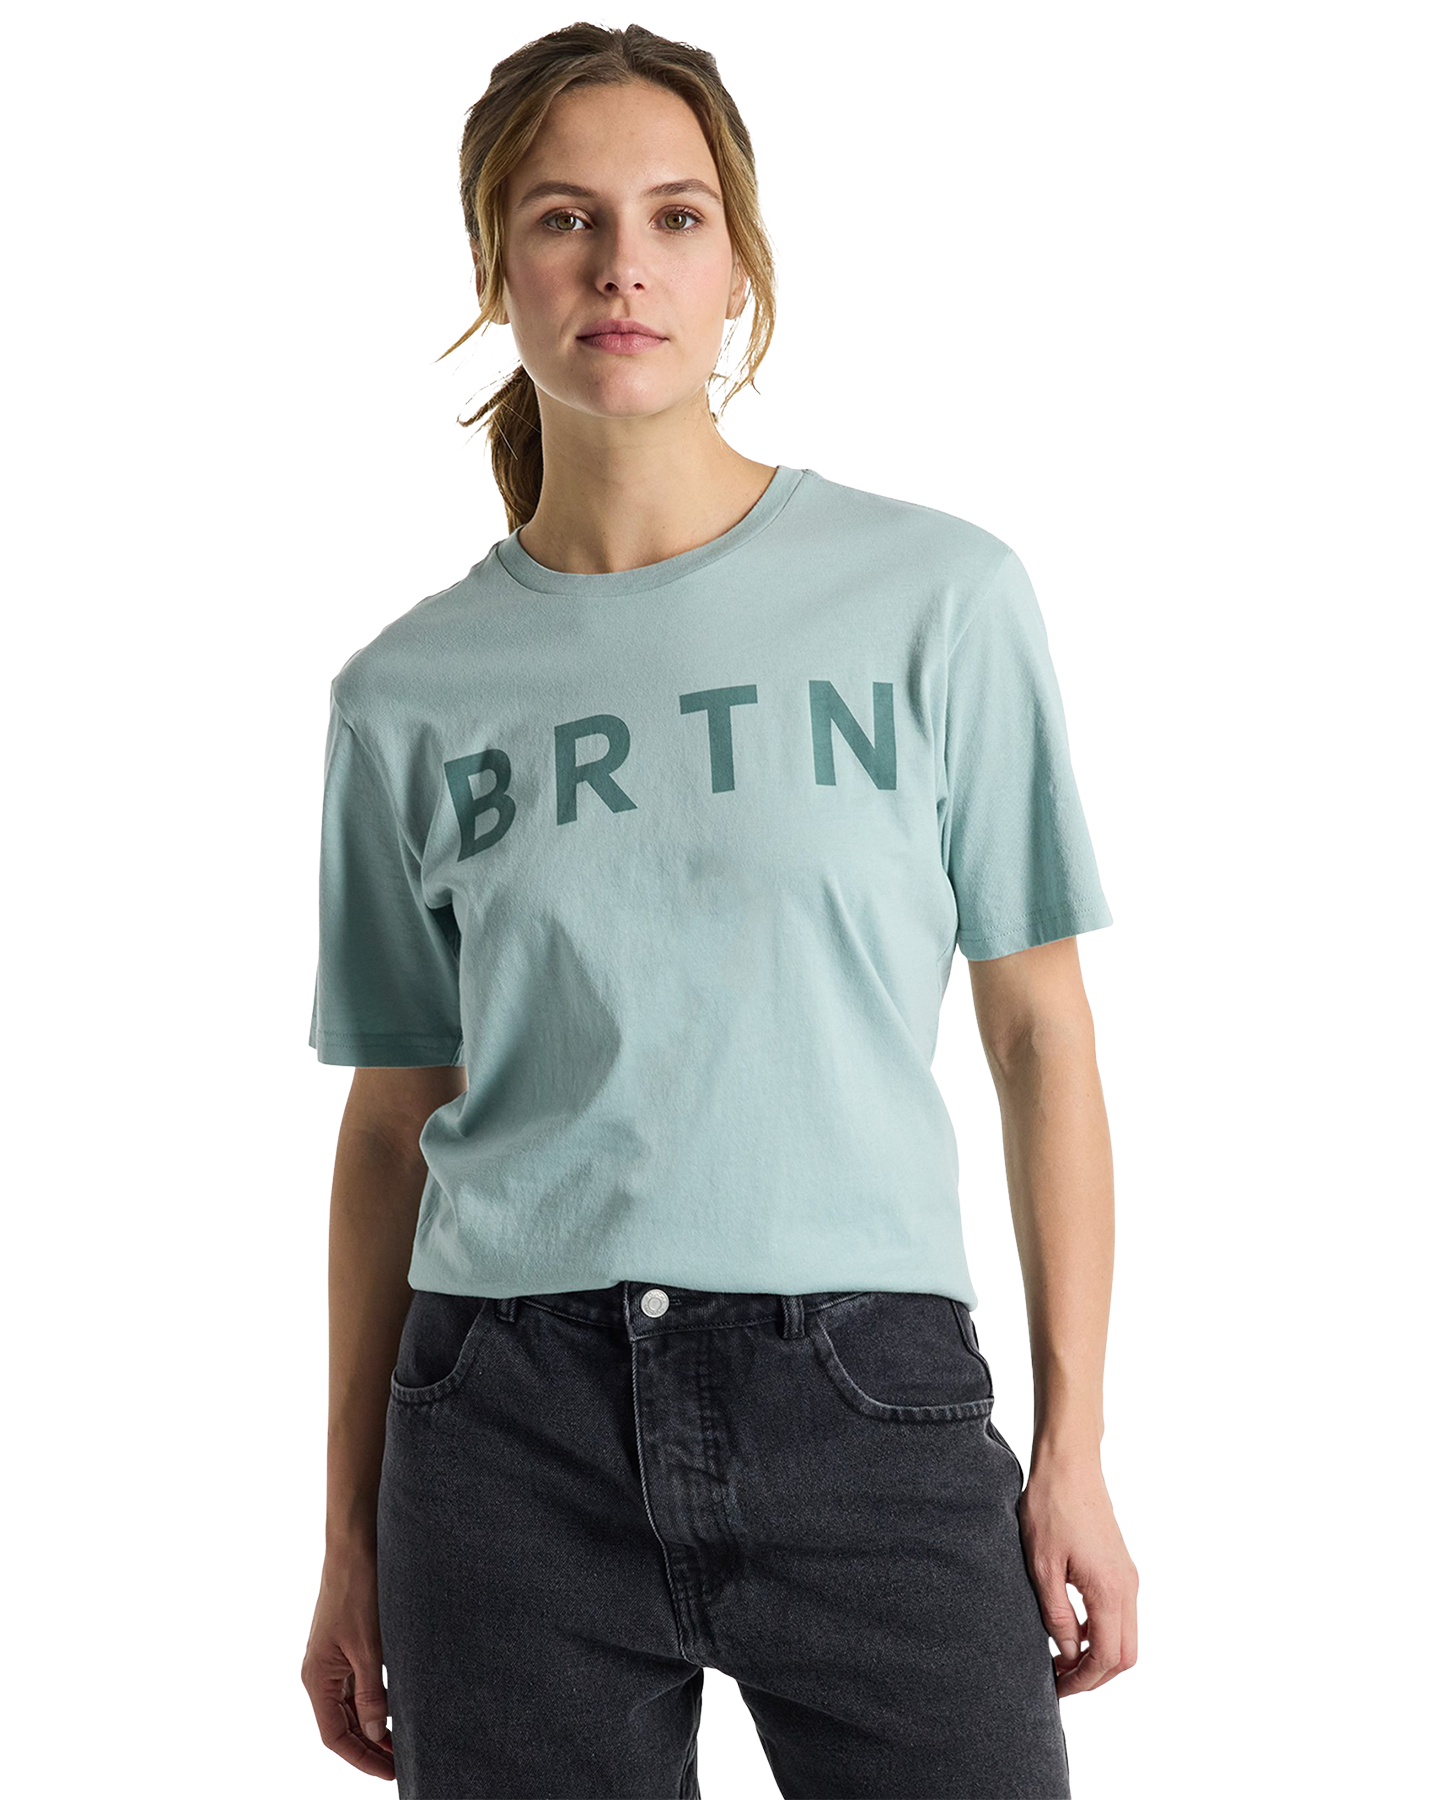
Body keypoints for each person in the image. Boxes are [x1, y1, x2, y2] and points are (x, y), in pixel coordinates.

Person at [300, 21, 1138, 1799]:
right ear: (494, 267)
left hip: (869, 1394)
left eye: (676, 217)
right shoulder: (404, 694)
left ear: (739, 263)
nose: (623, 266)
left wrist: (1074, 1447)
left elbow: (1039, 1034)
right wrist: (348, 1534)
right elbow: (389, 1124)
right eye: (565, 218)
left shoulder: (937, 602)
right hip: (501, 1424)